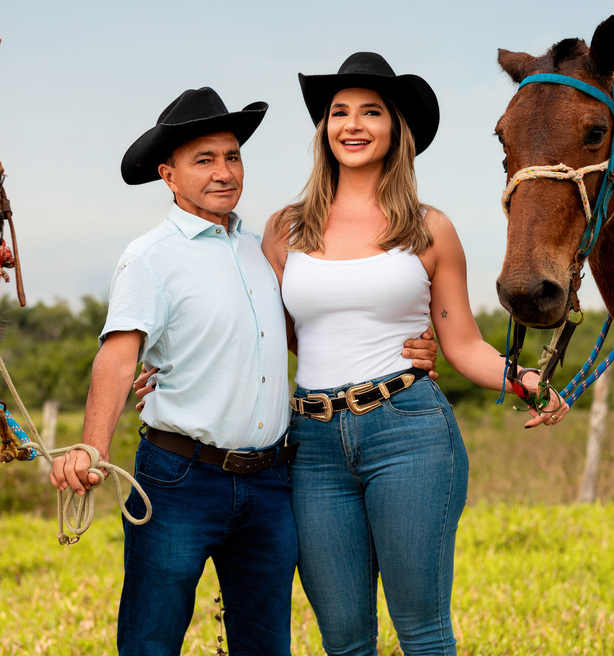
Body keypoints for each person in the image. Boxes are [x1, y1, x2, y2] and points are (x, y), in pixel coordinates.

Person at [48, 86, 438, 656]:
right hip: (180, 478)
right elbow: (117, 354)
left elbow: (316, 333)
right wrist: (90, 447)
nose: (224, 172)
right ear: (169, 175)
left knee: (265, 644)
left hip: (270, 482)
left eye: (232, 157)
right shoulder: (150, 256)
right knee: (151, 639)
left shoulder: (262, 251)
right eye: (203, 160)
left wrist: (407, 349)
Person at [261, 52, 568, 656]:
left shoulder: (429, 229)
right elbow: (278, 338)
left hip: (407, 433)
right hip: (314, 444)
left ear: (395, 128)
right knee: (344, 640)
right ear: (323, 129)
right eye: (339, 112)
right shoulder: (284, 230)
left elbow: (464, 345)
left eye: (371, 112)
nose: (352, 124)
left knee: (423, 634)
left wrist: (522, 378)